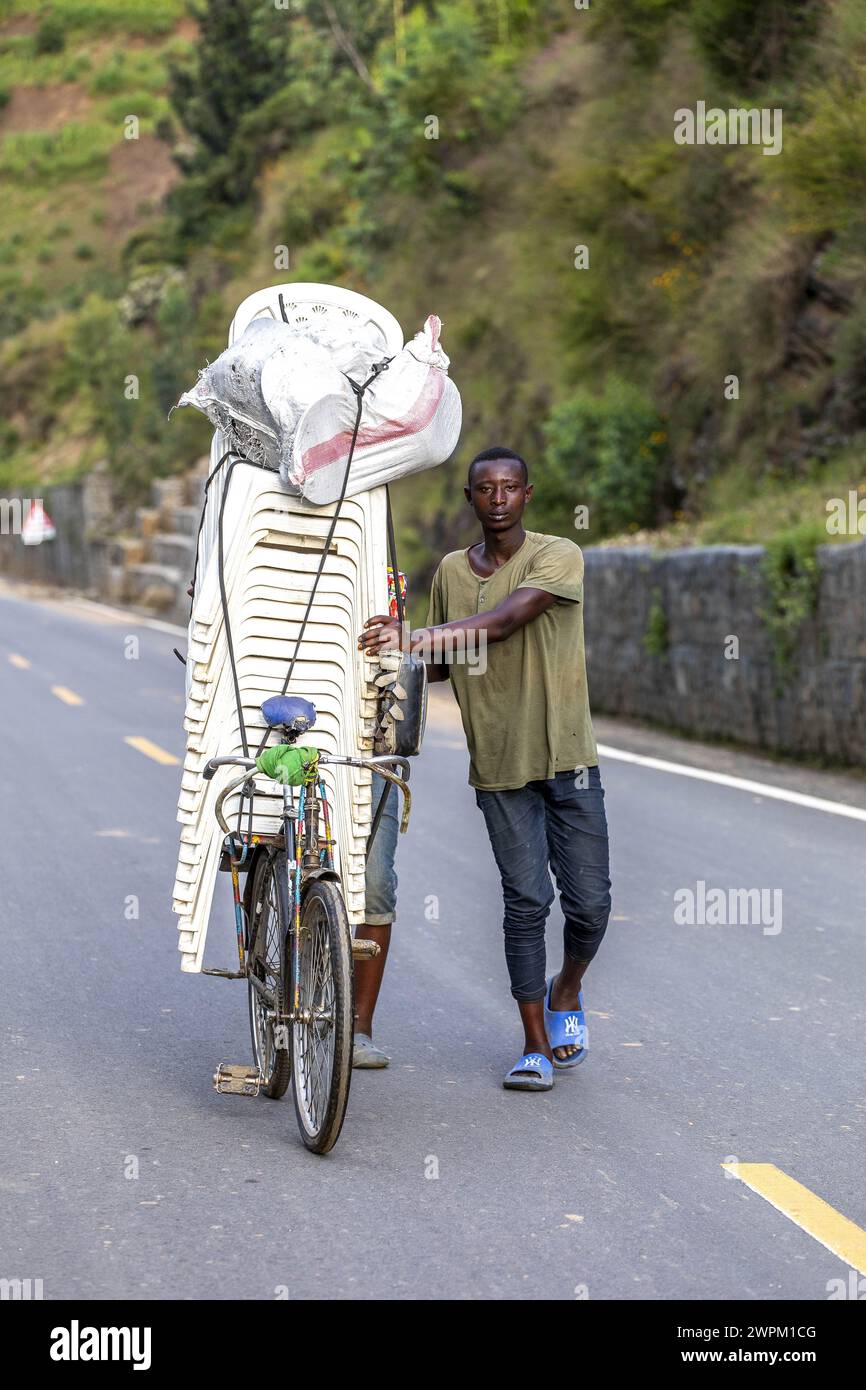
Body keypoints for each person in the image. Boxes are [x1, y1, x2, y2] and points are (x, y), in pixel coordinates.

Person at [359, 446, 611, 1091]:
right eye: (484, 489)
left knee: (591, 906)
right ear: (470, 498)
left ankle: (567, 989)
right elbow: (445, 663)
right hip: (499, 763)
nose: (497, 498)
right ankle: (532, 1045)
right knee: (525, 903)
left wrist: (412, 639)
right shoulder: (449, 571)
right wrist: (396, 642)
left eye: (509, 488)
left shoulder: (558, 556)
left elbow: (501, 623)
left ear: (528, 494)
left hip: (567, 757)